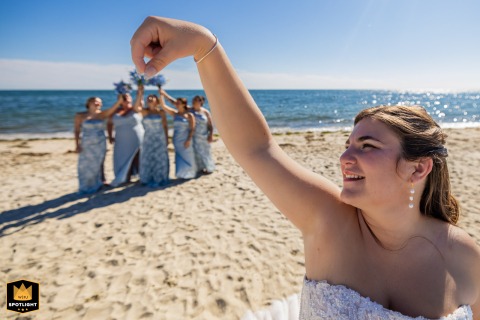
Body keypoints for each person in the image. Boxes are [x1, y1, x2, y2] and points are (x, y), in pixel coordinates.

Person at [130, 17, 480, 319]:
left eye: (367, 146)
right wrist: (203, 45)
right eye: (348, 145)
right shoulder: (327, 219)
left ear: (418, 169)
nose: (345, 158)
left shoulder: (465, 257)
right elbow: (256, 148)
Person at [74, 96, 121, 194]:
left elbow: (113, 108)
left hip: (100, 143)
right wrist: (77, 144)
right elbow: (77, 130)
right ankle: (85, 185)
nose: (98, 104)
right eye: (96, 102)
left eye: (100, 102)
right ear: (89, 103)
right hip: (87, 143)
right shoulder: (80, 115)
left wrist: (120, 98)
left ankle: (98, 183)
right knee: (85, 165)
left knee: (98, 163)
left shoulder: (102, 115)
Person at [107, 89, 145, 187]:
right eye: (124, 97)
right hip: (121, 140)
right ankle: (125, 177)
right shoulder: (115, 111)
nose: (126, 98)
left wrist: (140, 92)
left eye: (128, 96)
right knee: (122, 158)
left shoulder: (135, 108)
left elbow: (138, 100)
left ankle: (142, 176)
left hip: (136, 137)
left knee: (137, 156)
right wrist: (110, 136)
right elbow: (109, 123)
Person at [159, 89, 197, 179]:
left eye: (178, 103)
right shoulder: (174, 114)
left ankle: (190, 174)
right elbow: (163, 106)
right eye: (176, 103)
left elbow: (192, 128)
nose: (176, 104)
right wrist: (161, 95)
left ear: (184, 104)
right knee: (178, 157)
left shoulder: (189, 115)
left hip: (186, 139)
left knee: (188, 156)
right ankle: (180, 174)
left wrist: (188, 139)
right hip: (176, 139)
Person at [137, 85, 170, 186]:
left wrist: (167, 139)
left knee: (160, 158)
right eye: (148, 98)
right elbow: (137, 106)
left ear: (156, 101)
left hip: (159, 138)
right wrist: (140, 92)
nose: (150, 99)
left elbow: (165, 126)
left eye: (152, 98)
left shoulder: (161, 112)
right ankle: (146, 178)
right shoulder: (144, 111)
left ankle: (160, 177)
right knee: (147, 157)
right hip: (148, 138)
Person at [190, 95, 215, 174]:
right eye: (193, 100)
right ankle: (200, 168)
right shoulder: (190, 110)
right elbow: (177, 104)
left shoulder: (205, 112)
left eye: (196, 100)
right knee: (196, 152)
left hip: (204, 135)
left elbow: (210, 125)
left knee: (206, 152)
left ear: (201, 102)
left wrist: (211, 135)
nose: (194, 101)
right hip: (194, 136)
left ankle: (209, 168)